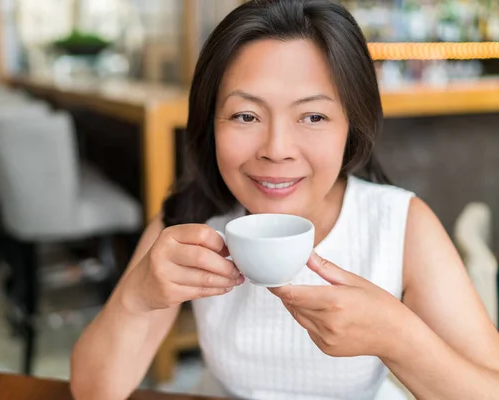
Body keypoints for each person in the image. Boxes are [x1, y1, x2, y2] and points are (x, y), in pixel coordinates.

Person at [70, 0, 499, 399]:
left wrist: (397, 338)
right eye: (246, 115)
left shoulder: (399, 224)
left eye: (313, 116)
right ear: (210, 122)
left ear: (351, 125)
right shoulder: (190, 222)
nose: (277, 149)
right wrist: (136, 296)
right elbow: (91, 391)